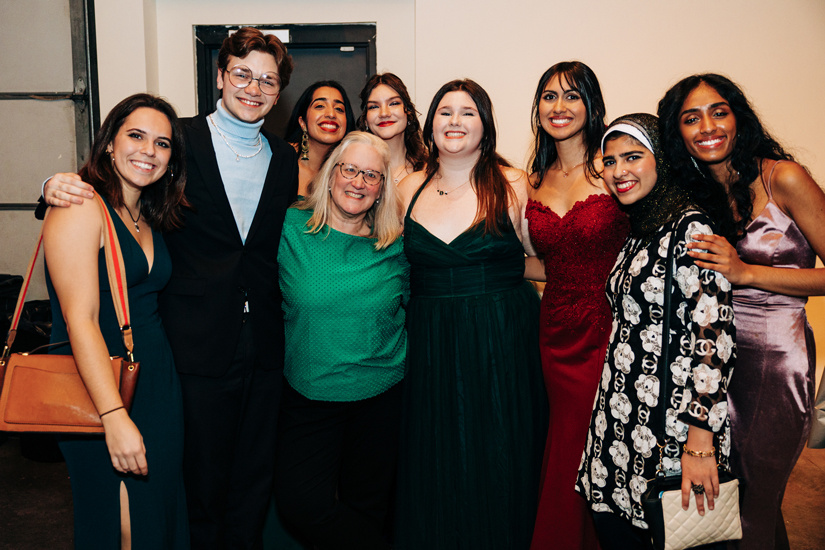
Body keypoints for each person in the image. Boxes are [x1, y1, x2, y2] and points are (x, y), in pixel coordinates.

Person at [42, 27, 299, 549]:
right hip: (189, 350)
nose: (254, 87)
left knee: (250, 485)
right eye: (243, 74)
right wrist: (51, 185)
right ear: (221, 76)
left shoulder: (286, 156)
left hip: (265, 348)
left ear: (278, 93)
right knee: (189, 492)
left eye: (268, 81)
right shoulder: (176, 139)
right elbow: (100, 198)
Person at [658, 74, 825, 550]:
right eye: (691, 118)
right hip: (713, 367)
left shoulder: (783, 177)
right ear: (678, 133)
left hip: (775, 362)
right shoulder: (693, 193)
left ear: (739, 117)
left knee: (755, 503)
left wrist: (747, 273)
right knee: (735, 507)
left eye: (719, 111)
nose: (707, 126)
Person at [395, 79, 547, 549]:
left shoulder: (514, 182)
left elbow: (541, 261)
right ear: (430, 124)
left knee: (501, 447)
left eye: (467, 112)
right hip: (431, 340)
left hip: (502, 337)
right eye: (445, 112)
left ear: (485, 125)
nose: (455, 122)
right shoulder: (405, 188)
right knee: (437, 450)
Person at [575, 113, 736, 550]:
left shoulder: (691, 229)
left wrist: (700, 443)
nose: (618, 171)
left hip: (673, 433)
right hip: (622, 423)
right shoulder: (642, 228)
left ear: (662, 160)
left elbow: (714, 342)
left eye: (632, 156)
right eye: (609, 161)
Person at [44, 93, 189, 549]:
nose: (149, 150)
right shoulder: (80, 205)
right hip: (99, 391)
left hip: (155, 383)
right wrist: (113, 417)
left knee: (156, 520)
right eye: (136, 135)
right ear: (109, 142)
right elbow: (80, 321)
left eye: (162, 143)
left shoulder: (146, 212)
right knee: (122, 527)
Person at [273, 132, 407, 550]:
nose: (359, 182)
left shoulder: (398, 244)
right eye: (350, 169)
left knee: (368, 507)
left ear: (382, 187)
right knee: (301, 506)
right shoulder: (289, 226)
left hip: (381, 398)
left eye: (372, 175)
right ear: (331, 175)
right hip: (309, 395)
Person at [524, 61, 629, 550]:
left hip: (611, 328)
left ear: (591, 105)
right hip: (555, 332)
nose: (559, 107)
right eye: (549, 96)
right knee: (567, 444)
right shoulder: (532, 178)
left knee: (606, 445)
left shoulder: (615, 169)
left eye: (571, 96)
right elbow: (538, 262)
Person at [285, 80, 355, 196]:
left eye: (339, 109)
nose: (331, 114)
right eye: (320, 106)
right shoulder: (282, 160)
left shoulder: (352, 173)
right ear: (302, 122)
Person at [357, 72, 426, 184]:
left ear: (408, 112)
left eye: (393, 103)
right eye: (374, 106)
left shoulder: (431, 170)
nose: (384, 113)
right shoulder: (355, 172)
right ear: (365, 119)